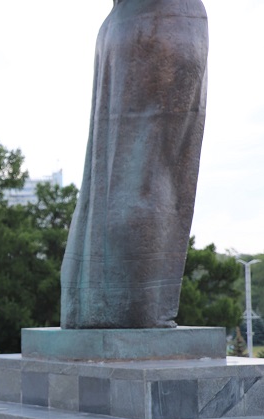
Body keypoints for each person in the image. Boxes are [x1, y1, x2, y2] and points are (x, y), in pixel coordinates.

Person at [60, 0, 209, 329]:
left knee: (134, 176)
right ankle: (129, 310)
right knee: (137, 177)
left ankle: (125, 309)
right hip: (149, 24)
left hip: (148, 24)